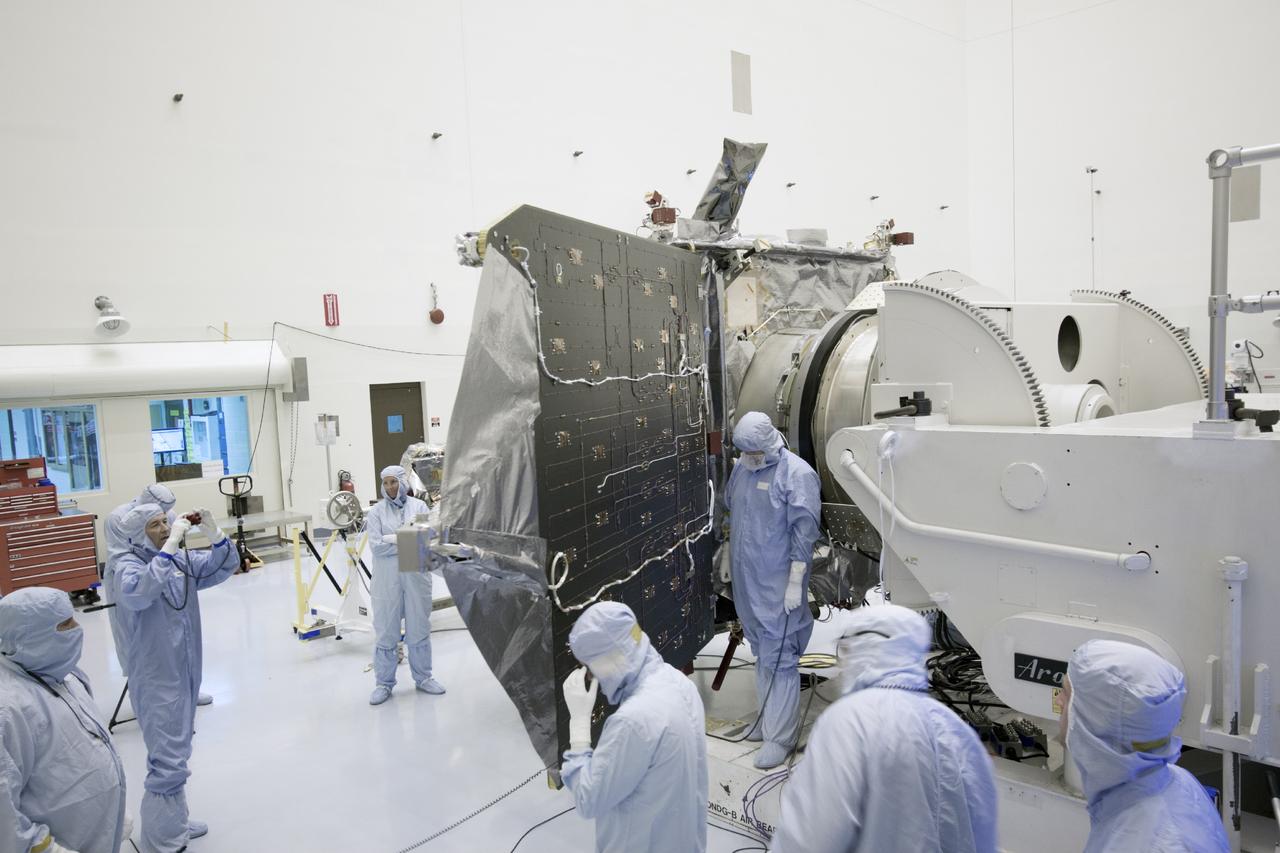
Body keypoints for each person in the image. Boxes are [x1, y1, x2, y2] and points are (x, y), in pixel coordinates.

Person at [771, 604, 997, 853]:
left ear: (865, 648)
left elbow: (810, 837)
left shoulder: (849, 721)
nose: (842, 662)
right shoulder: (957, 730)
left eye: (845, 650)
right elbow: (983, 831)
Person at [110, 503, 239, 853]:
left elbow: (223, 566)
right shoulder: (127, 566)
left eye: (165, 522)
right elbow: (139, 593)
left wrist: (214, 532)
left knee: (178, 752)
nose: (165, 529)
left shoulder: (178, 561)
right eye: (154, 525)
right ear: (136, 534)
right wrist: (168, 549)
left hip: (184, 670)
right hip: (156, 677)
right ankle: (163, 841)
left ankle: (173, 821)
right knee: (166, 759)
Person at [560, 602, 708, 853]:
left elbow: (589, 799)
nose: (592, 677)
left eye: (591, 668)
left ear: (607, 661)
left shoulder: (632, 721)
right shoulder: (680, 684)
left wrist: (579, 727)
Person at [723, 410, 821, 768]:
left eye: (754, 452)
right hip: (748, 579)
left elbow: (805, 532)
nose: (749, 458)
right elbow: (733, 511)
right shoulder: (743, 469)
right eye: (744, 452)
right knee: (761, 651)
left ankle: (781, 737)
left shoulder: (797, 474)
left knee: (780, 655)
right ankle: (766, 719)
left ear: (768, 443)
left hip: (778, 581)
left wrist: (795, 582)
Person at [1063, 640, 1228, 852]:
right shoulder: (1174, 780)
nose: (1059, 702)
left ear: (1095, 722)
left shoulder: (1155, 844)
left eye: (1067, 695)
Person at [0, 587, 129, 853]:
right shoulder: (9, 709)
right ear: (31, 637)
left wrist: (113, 807)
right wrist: (43, 848)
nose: (77, 629)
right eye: (65, 625)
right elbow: (4, 814)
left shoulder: (65, 674)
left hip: (97, 833)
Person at [103, 485, 213, 708]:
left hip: (164, 574)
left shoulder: (168, 515)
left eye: (166, 515)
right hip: (131, 580)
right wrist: (148, 576)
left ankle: (188, 688)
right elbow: (120, 556)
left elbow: (171, 545)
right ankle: (141, 694)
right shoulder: (117, 518)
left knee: (177, 634)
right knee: (133, 638)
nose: (166, 519)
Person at [367, 465, 444, 705]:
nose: (390, 487)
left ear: (402, 483)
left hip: (416, 573)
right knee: (386, 628)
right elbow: (377, 547)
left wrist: (392, 538)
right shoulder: (376, 512)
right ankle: (384, 683)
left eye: (394, 482)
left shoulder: (419, 507)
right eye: (386, 483)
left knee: (419, 626)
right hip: (387, 579)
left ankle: (424, 677)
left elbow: (424, 542)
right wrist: (406, 539)